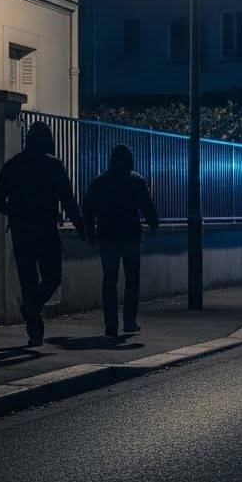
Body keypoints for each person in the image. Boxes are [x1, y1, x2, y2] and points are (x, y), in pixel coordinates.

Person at [0, 121, 85, 347]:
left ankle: (34, 328)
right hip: (46, 229)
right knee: (52, 276)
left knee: (28, 282)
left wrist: (12, 211)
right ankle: (32, 311)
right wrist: (81, 226)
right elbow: (68, 201)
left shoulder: (13, 165)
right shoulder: (54, 166)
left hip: (21, 230)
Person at [83, 144, 160, 337]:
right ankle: (129, 322)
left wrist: (91, 233)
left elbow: (88, 208)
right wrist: (154, 224)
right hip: (130, 236)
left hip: (107, 236)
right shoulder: (137, 181)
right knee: (132, 279)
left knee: (109, 279)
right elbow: (148, 207)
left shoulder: (100, 182)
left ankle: (111, 324)